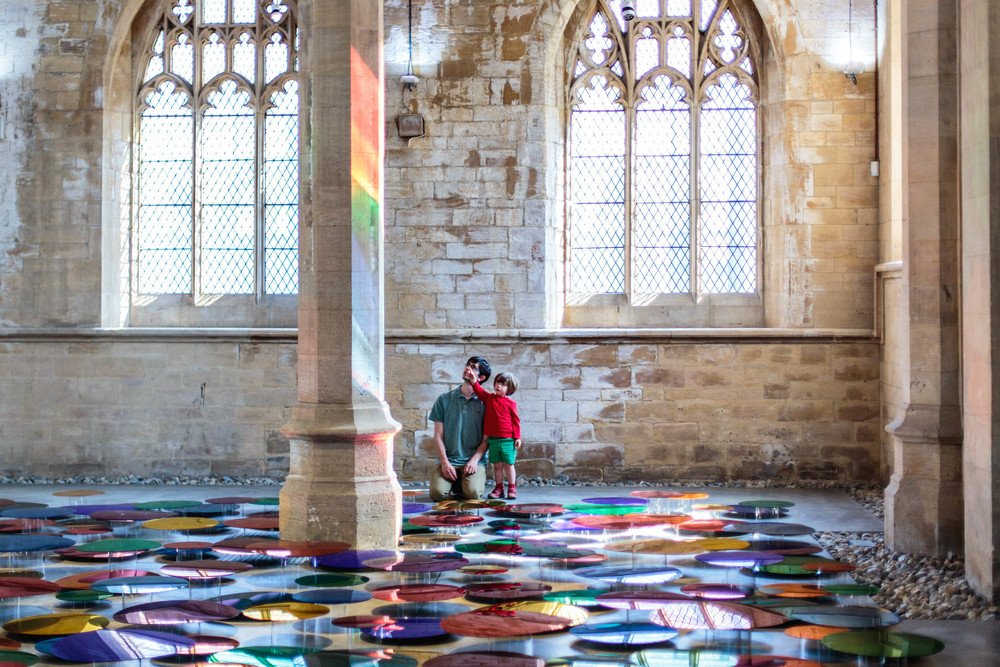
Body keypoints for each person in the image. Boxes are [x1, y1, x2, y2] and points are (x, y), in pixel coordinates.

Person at [428, 356, 492, 501]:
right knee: (437, 494)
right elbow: (438, 436)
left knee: (473, 494)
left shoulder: (487, 403)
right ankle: (456, 481)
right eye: (467, 365)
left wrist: (475, 460)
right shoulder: (444, 399)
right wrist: (444, 463)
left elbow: (487, 439)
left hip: (473, 461)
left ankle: (463, 482)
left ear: (481, 377)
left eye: (473, 368)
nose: (467, 369)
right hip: (450, 459)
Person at [463, 366, 521, 499]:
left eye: (503, 385)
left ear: (510, 389)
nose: (499, 386)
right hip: (493, 440)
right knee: (497, 465)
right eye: (498, 383)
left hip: (508, 440)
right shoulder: (489, 398)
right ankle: (498, 487)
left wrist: (517, 437)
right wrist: (473, 380)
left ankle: (512, 487)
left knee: (509, 465)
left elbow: (516, 421)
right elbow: (479, 391)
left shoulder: (511, 403)